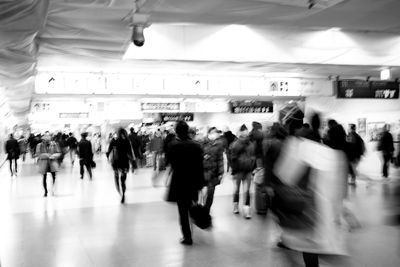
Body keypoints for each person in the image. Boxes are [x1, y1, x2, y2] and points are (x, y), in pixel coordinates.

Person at [273, 113, 348, 267]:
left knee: (309, 242)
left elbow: (286, 175)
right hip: (319, 203)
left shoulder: (299, 143)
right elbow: (337, 187)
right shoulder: (332, 150)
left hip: (307, 202)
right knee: (314, 241)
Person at [165, 121, 205, 245]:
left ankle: (187, 237)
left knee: (182, 211)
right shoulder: (196, 146)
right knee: (192, 206)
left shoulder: (172, 146)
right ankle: (194, 227)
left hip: (179, 183)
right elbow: (200, 166)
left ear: (176, 131)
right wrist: (201, 184)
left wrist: (165, 177)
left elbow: (169, 163)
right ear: (187, 131)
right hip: (193, 182)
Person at [230, 124, 256, 219]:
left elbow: (253, 156)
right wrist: (234, 170)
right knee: (237, 189)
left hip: (248, 170)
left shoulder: (251, 144)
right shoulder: (235, 144)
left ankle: (247, 209)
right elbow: (232, 158)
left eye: (246, 132)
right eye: (243, 133)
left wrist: (252, 165)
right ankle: (236, 205)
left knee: (247, 190)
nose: (245, 134)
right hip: (238, 171)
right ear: (240, 133)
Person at [106, 128, 133, 204]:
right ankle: (123, 194)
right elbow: (130, 153)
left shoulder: (114, 141)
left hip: (116, 163)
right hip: (124, 163)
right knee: (123, 180)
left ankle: (119, 190)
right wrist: (133, 164)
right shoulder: (127, 141)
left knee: (116, 177)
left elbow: (108, 152)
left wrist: (108, 158)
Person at [201, 127, 224, 213]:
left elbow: (220, 159)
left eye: (216, 132)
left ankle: (206, 210)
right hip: (203, 171)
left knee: (210, 193)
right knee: (203, 192)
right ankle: (202, 207)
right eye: (212, 132)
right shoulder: (202, 143)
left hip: (213, 172)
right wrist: (204, 157)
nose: (214, 134)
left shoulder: (219, 144)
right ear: (208, 133)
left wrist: (221, 172)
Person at [36, 132, 61, 197]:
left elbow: (58, 152)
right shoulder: (39, 145)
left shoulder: (54, 144)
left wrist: (54, 156)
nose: (47, 141)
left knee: (54, 176)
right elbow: (38, 154)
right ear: (43, 140)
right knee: (44, 177)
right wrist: (47, 155)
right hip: (44, 163)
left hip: (52, 163)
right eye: (45, 140)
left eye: (48, 140)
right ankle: (45, 191)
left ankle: (53, 189)